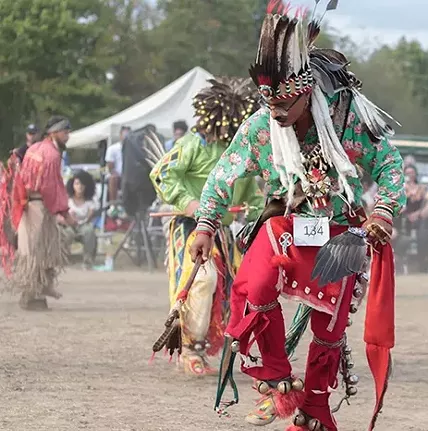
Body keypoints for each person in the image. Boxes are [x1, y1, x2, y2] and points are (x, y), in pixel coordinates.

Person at [189, 4, 404, 430]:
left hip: (340, 231)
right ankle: (277, 378)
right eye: (271, 102)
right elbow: (223, 173)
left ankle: (313, 409)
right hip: (284, 224)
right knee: (258, 284)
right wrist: (205, 224)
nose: (278, 112)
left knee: (329, 325)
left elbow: (391, 167)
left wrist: (381, 211)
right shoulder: (261, 128)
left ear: (308, 92)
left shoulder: (345, 120)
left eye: (287, 102)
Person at [149, 77, 264, 376]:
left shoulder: (243, 151)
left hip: (224, 233)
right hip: (192, 228)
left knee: (236, 287)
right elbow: (162, 174)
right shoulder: (192, 145)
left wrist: (259, 210)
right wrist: (192, 206)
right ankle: (190, 348)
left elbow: (252, 195)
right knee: (202, 280)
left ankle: (220, 345)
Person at [0, 116, 76, 310]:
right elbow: (53, 188)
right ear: (53, 132)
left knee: (32, 249)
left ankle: (35, 291)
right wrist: (65, 212)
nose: (68, 136)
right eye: (65, 132)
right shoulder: (51, 156)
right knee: (39, 251)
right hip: (40, 207)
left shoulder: (34, 148)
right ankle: (32, 295)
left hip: (27, 205)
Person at [62, 170, 98, 269]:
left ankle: (87, 261)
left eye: (82, 184)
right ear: (72, 185)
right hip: (69, 225)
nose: (80, 186)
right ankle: (62, 258)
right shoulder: (67, 200)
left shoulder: (90, 202)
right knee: (67, 233)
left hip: (83, 225)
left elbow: (90, 216)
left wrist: (88, 217)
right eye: (77, 183)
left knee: (89, 231)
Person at [105, 126, 129, 207]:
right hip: (117, 176)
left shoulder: (133, 149)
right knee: (113, 178)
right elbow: (110, 167)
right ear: (120, 135)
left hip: (128, 176)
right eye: (125, 134)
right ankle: (113, 204)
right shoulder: (113, 148)